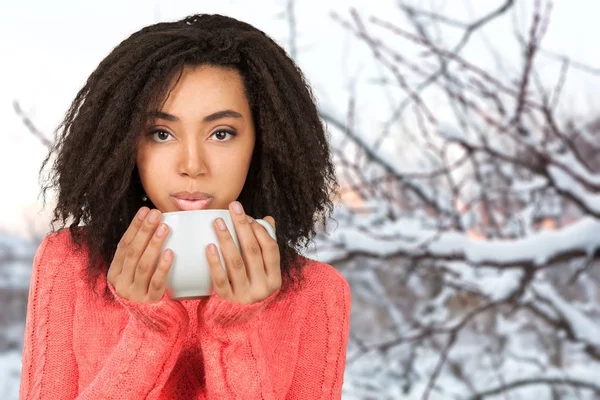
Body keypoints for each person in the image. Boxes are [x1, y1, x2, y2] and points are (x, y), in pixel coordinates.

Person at [19, 13, 351, 400]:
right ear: (125, 143)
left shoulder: (317, 294)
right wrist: (147, 334)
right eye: (161, 134)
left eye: (221, 133)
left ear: (264, 143)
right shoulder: (68, 264)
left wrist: (234, 334)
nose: (192, 165)